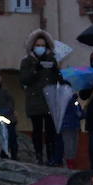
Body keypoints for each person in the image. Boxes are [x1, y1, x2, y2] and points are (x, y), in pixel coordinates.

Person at [19, 29, 62, 163]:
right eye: (37, 45)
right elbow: (24, 80)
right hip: (35, 100)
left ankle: (50, 157)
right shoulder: (27, 61)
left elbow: (57, 80)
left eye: (42, 45)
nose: (40, 48)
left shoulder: (52, 60)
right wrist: (35, 70)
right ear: (32, 46)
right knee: (37, 130)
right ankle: (38, 156)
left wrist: (56, 71)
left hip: (49, 100)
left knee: (50, 131)